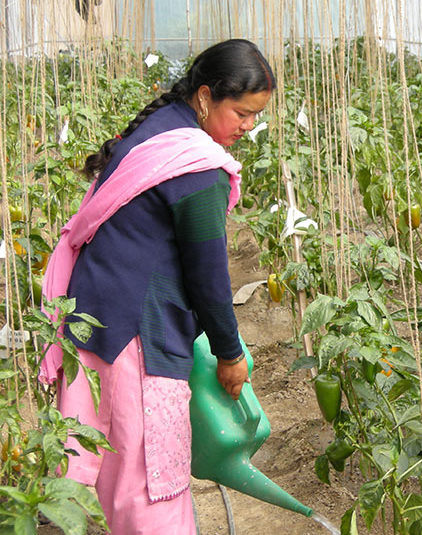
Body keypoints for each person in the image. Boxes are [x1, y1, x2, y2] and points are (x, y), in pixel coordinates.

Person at [38, 39, 275, 534]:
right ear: (206, 97)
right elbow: (209, 278)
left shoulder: (159, 127)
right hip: (136, 336)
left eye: (255, 116)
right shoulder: (197, 167)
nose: (248, 127)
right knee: (150, 484)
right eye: (242, 112)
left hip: (90, 322)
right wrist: (230, 355)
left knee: (106, 463)